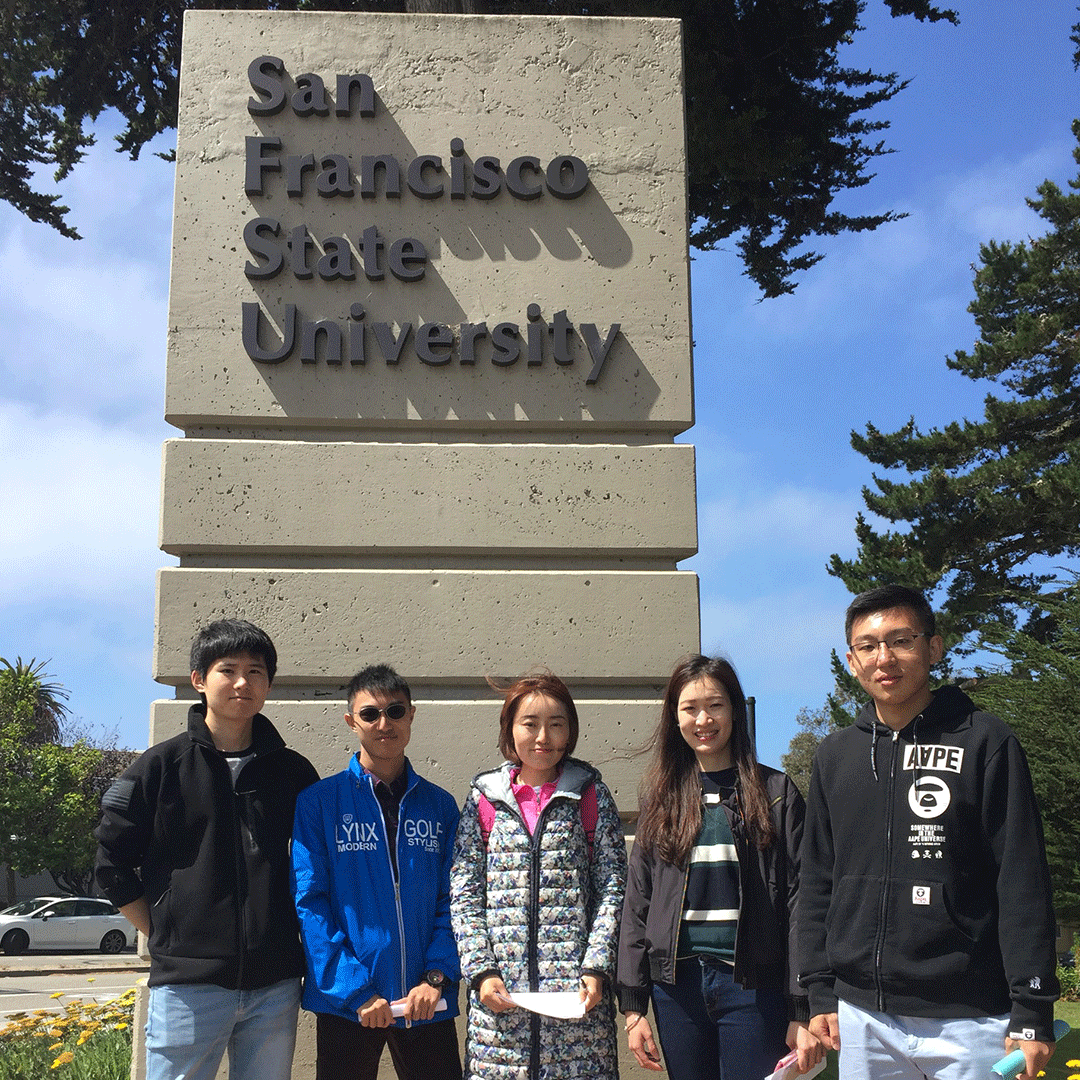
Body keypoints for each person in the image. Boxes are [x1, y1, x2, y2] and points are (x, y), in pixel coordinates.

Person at [799, 584, 1060, 1080]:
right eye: (868, 646)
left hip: (971, 1019)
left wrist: (1032, 1009)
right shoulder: (835, 756)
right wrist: (818, 991)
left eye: (901, 640)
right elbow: (816, 882)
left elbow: (1022, 879)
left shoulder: (986, 740)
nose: (885, 658)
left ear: (933, 647)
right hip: (862, 1017)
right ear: (852, 661)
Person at [94, 618, 319, 1080]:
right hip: (188, 989)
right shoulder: (158, 767)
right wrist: (163, 932)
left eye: (256, 672)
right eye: (228, 670)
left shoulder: (293, 773)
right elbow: (111, 864)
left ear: (269, 684)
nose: (243, 682)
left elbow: (318, 868)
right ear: (199, 680)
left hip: (275, 985)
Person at [617, 654, 821, 1080]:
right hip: (677, 989)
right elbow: (638, 901)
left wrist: (801, 1005)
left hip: (752, 986)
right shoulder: (662, 799)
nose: (703, 719)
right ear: (675, 718)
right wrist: (634, 1006)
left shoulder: (776, 793)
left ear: (735, 711)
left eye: (715, 705)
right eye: (689, 708)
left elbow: (804, 904)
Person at [450, 671, 627, 1080]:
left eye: (555, 724)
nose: (542, 736)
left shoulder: (589, 795)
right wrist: (482, 972)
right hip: (501, 1009)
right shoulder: (484, 799)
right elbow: (464, 892)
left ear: (570, 732)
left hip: (576, 1002)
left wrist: (596, 966)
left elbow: (614, 887)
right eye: (530, 723)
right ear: (510, 729)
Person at [291, 663, 462, 1080]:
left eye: (396, 711)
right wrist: (357, 992)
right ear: (351, 722)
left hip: (426, 1001)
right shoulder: (319, 802)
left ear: (411, 716)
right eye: (370, 714)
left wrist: (436, 977)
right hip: (351, 1004)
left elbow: (455, 898)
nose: (384, 723)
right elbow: (310, 903)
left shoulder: (440, 806)